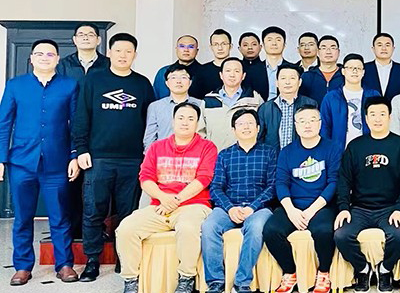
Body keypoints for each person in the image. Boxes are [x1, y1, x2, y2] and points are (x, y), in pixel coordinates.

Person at [72, 32, 155, 282]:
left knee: (128, 213)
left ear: (135, 55)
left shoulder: (142, 84)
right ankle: (92, 261)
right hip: (99, 158)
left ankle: (123, 257)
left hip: (132, 160)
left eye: (128, 51)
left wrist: (148, 157)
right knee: (93, 211)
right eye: (118, 50)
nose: (123, 55)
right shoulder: (93, 80)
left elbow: (149, 123)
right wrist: (81, 149)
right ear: (109, 53)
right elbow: (81, 117)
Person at [0, 39, 80, 286]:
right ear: (31, 58)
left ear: (57, 59)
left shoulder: (69, 85)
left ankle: (64, 264)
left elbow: (77, 125)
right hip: (22, 162)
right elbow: (4, 124)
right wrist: (1, 158)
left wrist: (74, 156)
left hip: (57, 162)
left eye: (50, 54)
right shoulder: (15, 86)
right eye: (40, 54)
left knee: (60, 216)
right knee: (23, 218)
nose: (45, 57)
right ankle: (23, 267)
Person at [115, 102, 217, 293]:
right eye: (181, 118)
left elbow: (204, 178)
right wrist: (164, 198)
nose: (185, 122)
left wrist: (175, 200)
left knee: (187, 228)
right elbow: (145, 178)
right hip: (160, 205)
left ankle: (186, 278)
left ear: (197, 123)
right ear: (173, 121)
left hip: (194, 205)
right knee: (126, 228)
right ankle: (131, 280)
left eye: (191, 119)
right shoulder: (157, 147)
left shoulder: (207, 147)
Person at [334, 97, 400, 292]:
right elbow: (344, 180)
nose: (377, 119)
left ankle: (385, 270)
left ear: (389, 117)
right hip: (360, 208)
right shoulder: (355, 146)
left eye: (382, 114)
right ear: (366, 118)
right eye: (373, 114)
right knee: (341, 235)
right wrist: (344, 208)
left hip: (390, 208)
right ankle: (363, 270)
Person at [264, 105, 342, 293]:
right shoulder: (287, 151)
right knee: (271, 231)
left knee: (323, 231)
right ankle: (290, 272)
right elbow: (281, 183)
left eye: (312, 120)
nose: (308, 125)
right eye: (302, 121)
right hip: (293, 204)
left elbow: (333, 182)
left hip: (322, 205)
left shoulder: (332, 148)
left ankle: (324, 272)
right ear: (295, 125)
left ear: (320, 124)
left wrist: (312, 210)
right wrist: (291, 210)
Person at [202, 109, 277, 293]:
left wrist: (252, 207)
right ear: (234, 130)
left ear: (258, 128)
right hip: (228, 207)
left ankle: (242, 282)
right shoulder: (225, 155)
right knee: (209, 226)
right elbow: (216, 187)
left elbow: (273, 186)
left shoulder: (270, 153)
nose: (246, 127)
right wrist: (230, 208)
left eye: (250, 123)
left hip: (258, 208)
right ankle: (216, 282)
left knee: (256, 227)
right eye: (241, 124)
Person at [56, 23, 109, 241]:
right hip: (68, 129)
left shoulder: (107, 64)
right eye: (81, 34)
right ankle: (73, 230)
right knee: (72, 180)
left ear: (98, 39)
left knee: (97, 182)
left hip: (100, 130)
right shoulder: (63, 65)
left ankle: (97, 229)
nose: (86, 37)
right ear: (74, 40)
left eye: (90, 34)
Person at [203, 57, 264, 150]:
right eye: (228, 71)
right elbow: (200, 132)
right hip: (215, 154)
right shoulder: (208, 100)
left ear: (243, 76)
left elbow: (262, 129)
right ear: (221, 75)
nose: (232, 75)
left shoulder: (254, 99)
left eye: (236, 71)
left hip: (247, 155)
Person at [321, 54, 381, 148]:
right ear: (343, 71)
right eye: (350, 68)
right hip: (339, 150)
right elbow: (324, 127)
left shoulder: (373, 95)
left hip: (368, 148)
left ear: (363, 72)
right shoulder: (331, 97)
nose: (355, 71)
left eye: (358, 68)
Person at [144, 63, 207, 150]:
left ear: (190, 82)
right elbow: (150, 138)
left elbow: (204, 135)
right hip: (163, 155)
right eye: (173, 77)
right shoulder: (155, 107)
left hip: (193, 155)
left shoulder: (201, 104)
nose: (178, 81)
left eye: (183, 77)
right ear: (167, 83)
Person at [259, 64, 317, 150]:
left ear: (300, 82)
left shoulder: (310, 104)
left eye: (292, 78)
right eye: (283, 78)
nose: (287, 82)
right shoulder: (265, 108)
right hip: (273, 156)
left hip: (303, 155)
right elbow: (260, 137)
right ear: (277, 83)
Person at [151, 35, 202, 99]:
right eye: (182, 46)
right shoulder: (163, 72)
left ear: (197, 51)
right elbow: (155, 98)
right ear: (176, 49)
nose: (186, 50)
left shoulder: (205, 73)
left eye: (191, 47)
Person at [300, 35, 345, 105]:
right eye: (324, 48)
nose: (328, 52)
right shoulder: (307, 77)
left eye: (333, 48)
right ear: (318, 52)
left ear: (338, 52)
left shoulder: (346, 75)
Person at [363, 32, 400, 102]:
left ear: (393, 48)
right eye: (379, 45)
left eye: (387, 45)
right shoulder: (363, 69)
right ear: (373, 49)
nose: (384, 48)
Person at [191, 29, 233, 98]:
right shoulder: (201, 71)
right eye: (216, 44)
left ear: (230, 46)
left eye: (224, 44)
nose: (220, 48)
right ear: (211, 47)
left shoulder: (240, 69)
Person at [239, 32, 269, 100]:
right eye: (245, 45)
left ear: (260, 47)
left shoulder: (267, 67)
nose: (250, 48)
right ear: (239, 49)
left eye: (254, 44)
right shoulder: (236, 68)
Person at [262, 26, 288, 101]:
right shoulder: (252, 70)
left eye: (278, 40)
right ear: (263, 45)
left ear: (284, 45)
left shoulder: (294, 69)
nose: (274, 43)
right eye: (269, 40)